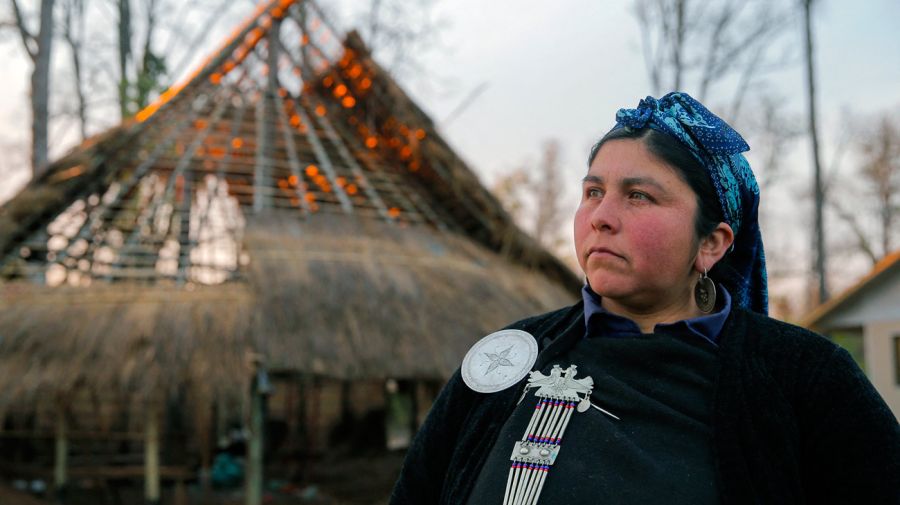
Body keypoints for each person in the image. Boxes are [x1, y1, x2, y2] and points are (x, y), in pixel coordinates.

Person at [389, 92, 900, 504]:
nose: (600, 216)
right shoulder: (511, 355)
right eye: (593, 192)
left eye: (639, 196)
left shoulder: (805, 378)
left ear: (711, 242)